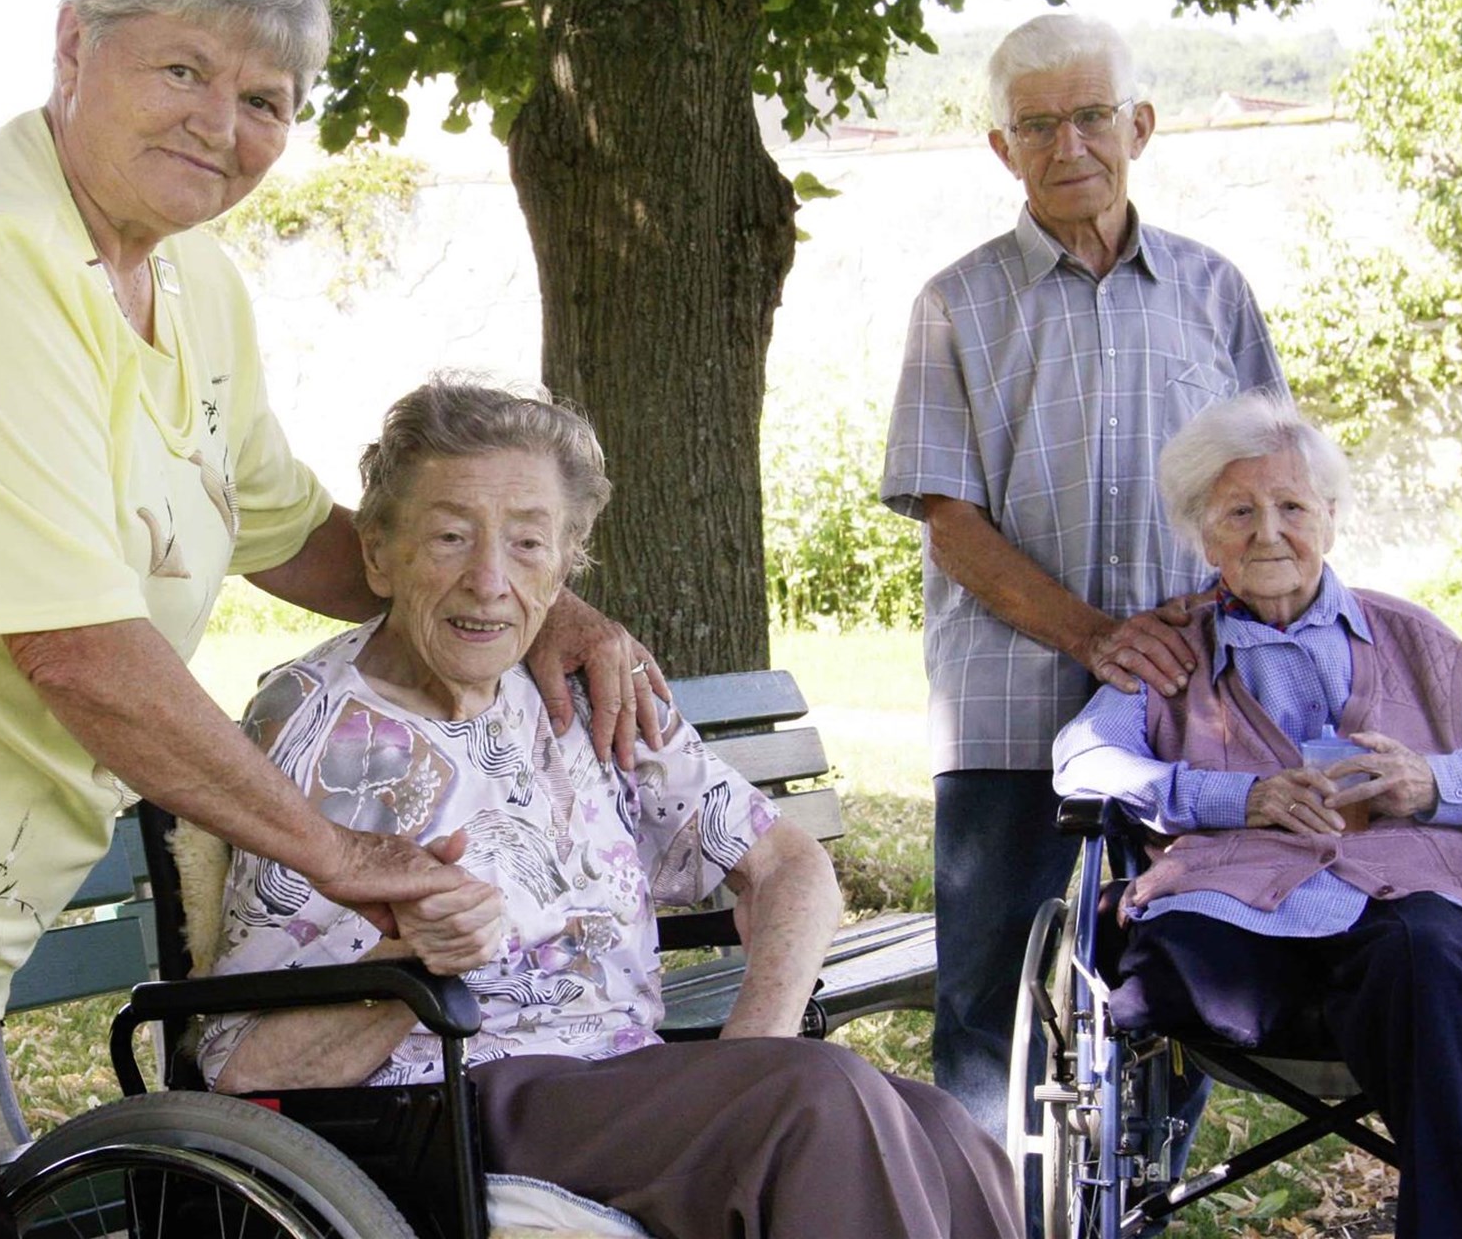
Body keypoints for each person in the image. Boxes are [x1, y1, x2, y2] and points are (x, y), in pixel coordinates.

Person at [0, 0, 657, 1239]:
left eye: (264, 97)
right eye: (182, 69)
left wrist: (538, 605)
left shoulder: (195, 286)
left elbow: (303, 535)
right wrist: (340, 853)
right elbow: (75, 647)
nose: (219, 123)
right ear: (74, 47)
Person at [197, 378, 1023, 1239]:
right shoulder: (316, 725)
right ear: (377, 553)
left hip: (618, 1082)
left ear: (565, 566)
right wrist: (415, 972)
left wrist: (752, 1052)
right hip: (440, 1102)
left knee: (942, 1128)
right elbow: (237, 1060)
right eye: (448, 537)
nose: (488, 581)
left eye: (527, 544)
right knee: (818, 1100)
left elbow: (788, 866)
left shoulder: (586, 692)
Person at [879, 12, 1290, 1144]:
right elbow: (949, 522)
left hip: (1183, 709)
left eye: (1092, 117)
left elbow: (1272, 496)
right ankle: (983, 1212)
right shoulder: (955, 304)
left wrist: (1221, 624)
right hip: (1008, 708)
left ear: (1140, 126)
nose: (1069, 146)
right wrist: (1091, 636)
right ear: (1003, 149)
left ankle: (1138, 1195)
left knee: (1177, 979)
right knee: (985, 1004)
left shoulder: (1213, 292)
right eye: (1038, 125)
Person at [1053, 391, 1462, 1238]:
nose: (1268, 533)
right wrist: (1234, 797)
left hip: (1415, 924)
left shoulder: (1414, 640)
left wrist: (1431, 783)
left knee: (1429, 957)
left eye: (1291, 506)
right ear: (1201, 532)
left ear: (1329, 518)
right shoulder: (1172, 650)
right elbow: (1081, 760)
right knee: (1195, 956)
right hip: (1234, 939)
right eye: (1239, 512)